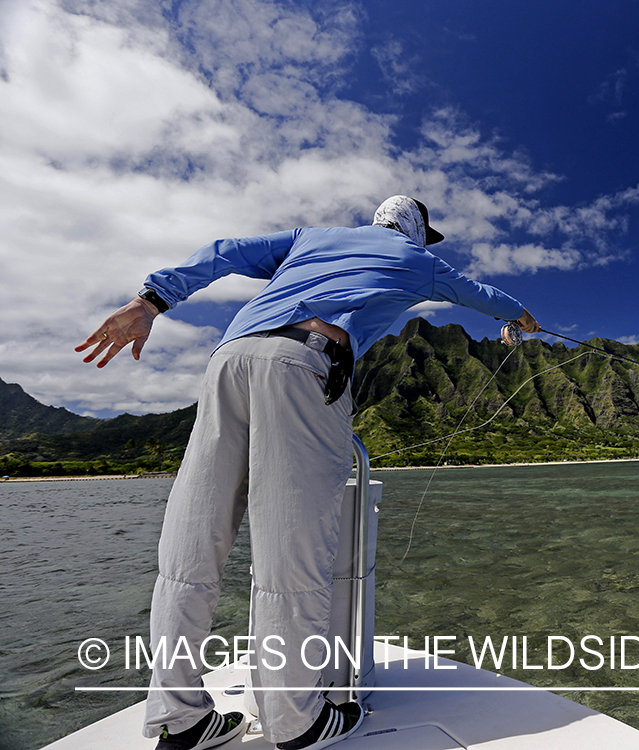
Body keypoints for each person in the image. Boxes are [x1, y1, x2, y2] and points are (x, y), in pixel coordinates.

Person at [76, 196, 540, 750]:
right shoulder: (420, 262)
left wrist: (150, 302)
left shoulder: (311, 237)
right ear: (416, 230)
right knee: (292, 555)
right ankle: (296, 722)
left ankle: (178, 720)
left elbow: (223, 252)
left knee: (188, 554)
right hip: (304, 365)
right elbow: (485, 297)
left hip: (229, 360)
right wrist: (521, 319)